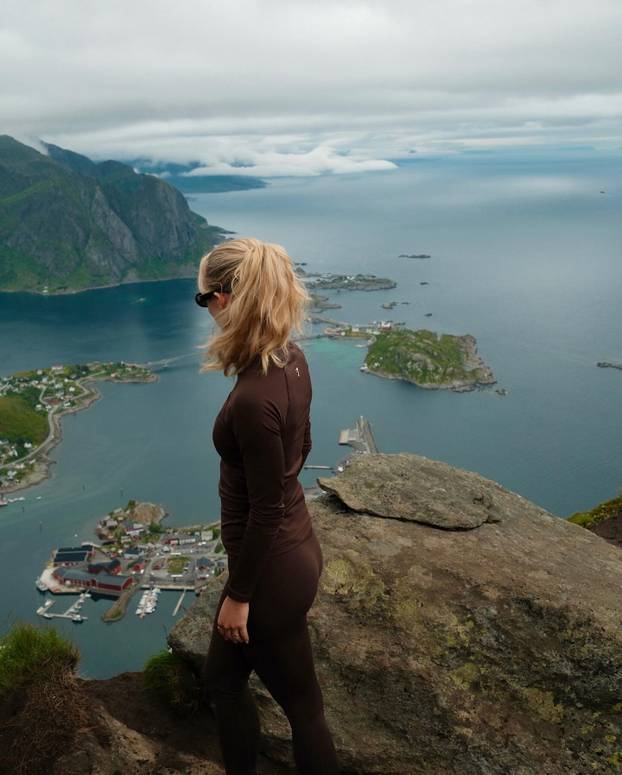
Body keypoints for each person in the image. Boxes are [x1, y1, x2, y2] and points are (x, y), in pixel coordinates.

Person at [197, 237, 340, 775]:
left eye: (204, 297)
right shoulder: (291, 359)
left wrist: (238, 596)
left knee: (303, 710)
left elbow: (264, 510)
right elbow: (302, 445)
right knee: (224, 682)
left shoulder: (255, 398)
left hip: (270, 572)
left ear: (229, 297)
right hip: (296, 549)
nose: (206, 309)